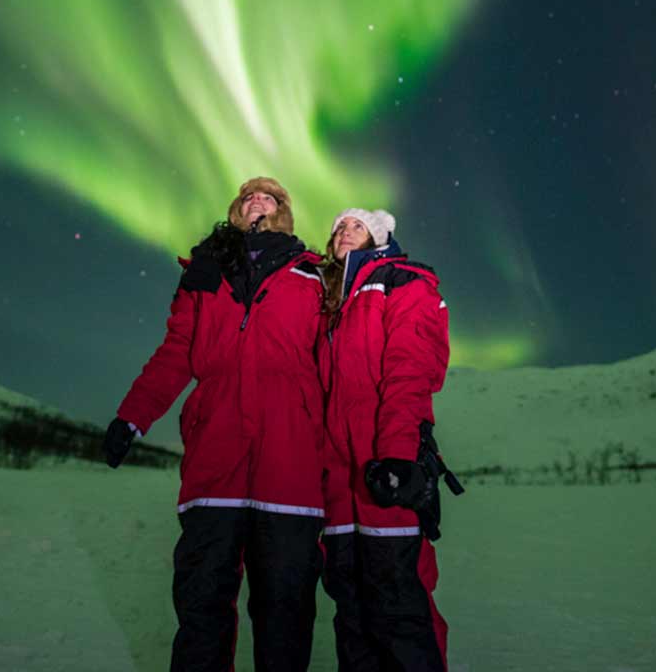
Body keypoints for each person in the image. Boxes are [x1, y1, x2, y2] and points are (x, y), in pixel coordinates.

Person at [102, 177, 327, 672]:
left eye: (269, 197)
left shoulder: (315, 275)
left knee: (285, 608)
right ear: (234, 211)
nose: (257, 202)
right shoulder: (205, 270)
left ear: (286, 212)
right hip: (216, 458)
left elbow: (338, 362)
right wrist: (133, 415)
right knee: (202, 601)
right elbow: (178, 350)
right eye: (248, 197)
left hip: (289, 465)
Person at [318, 207, 452, 672]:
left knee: (398, 604)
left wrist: (397, 456)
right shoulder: (334, 302)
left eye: (356, 225)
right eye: (338, 226)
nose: (344, 231)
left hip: (383, 466)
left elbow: (410, 370)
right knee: (351, 608)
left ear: (379, 236)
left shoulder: (399, 282)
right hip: (339, 481)